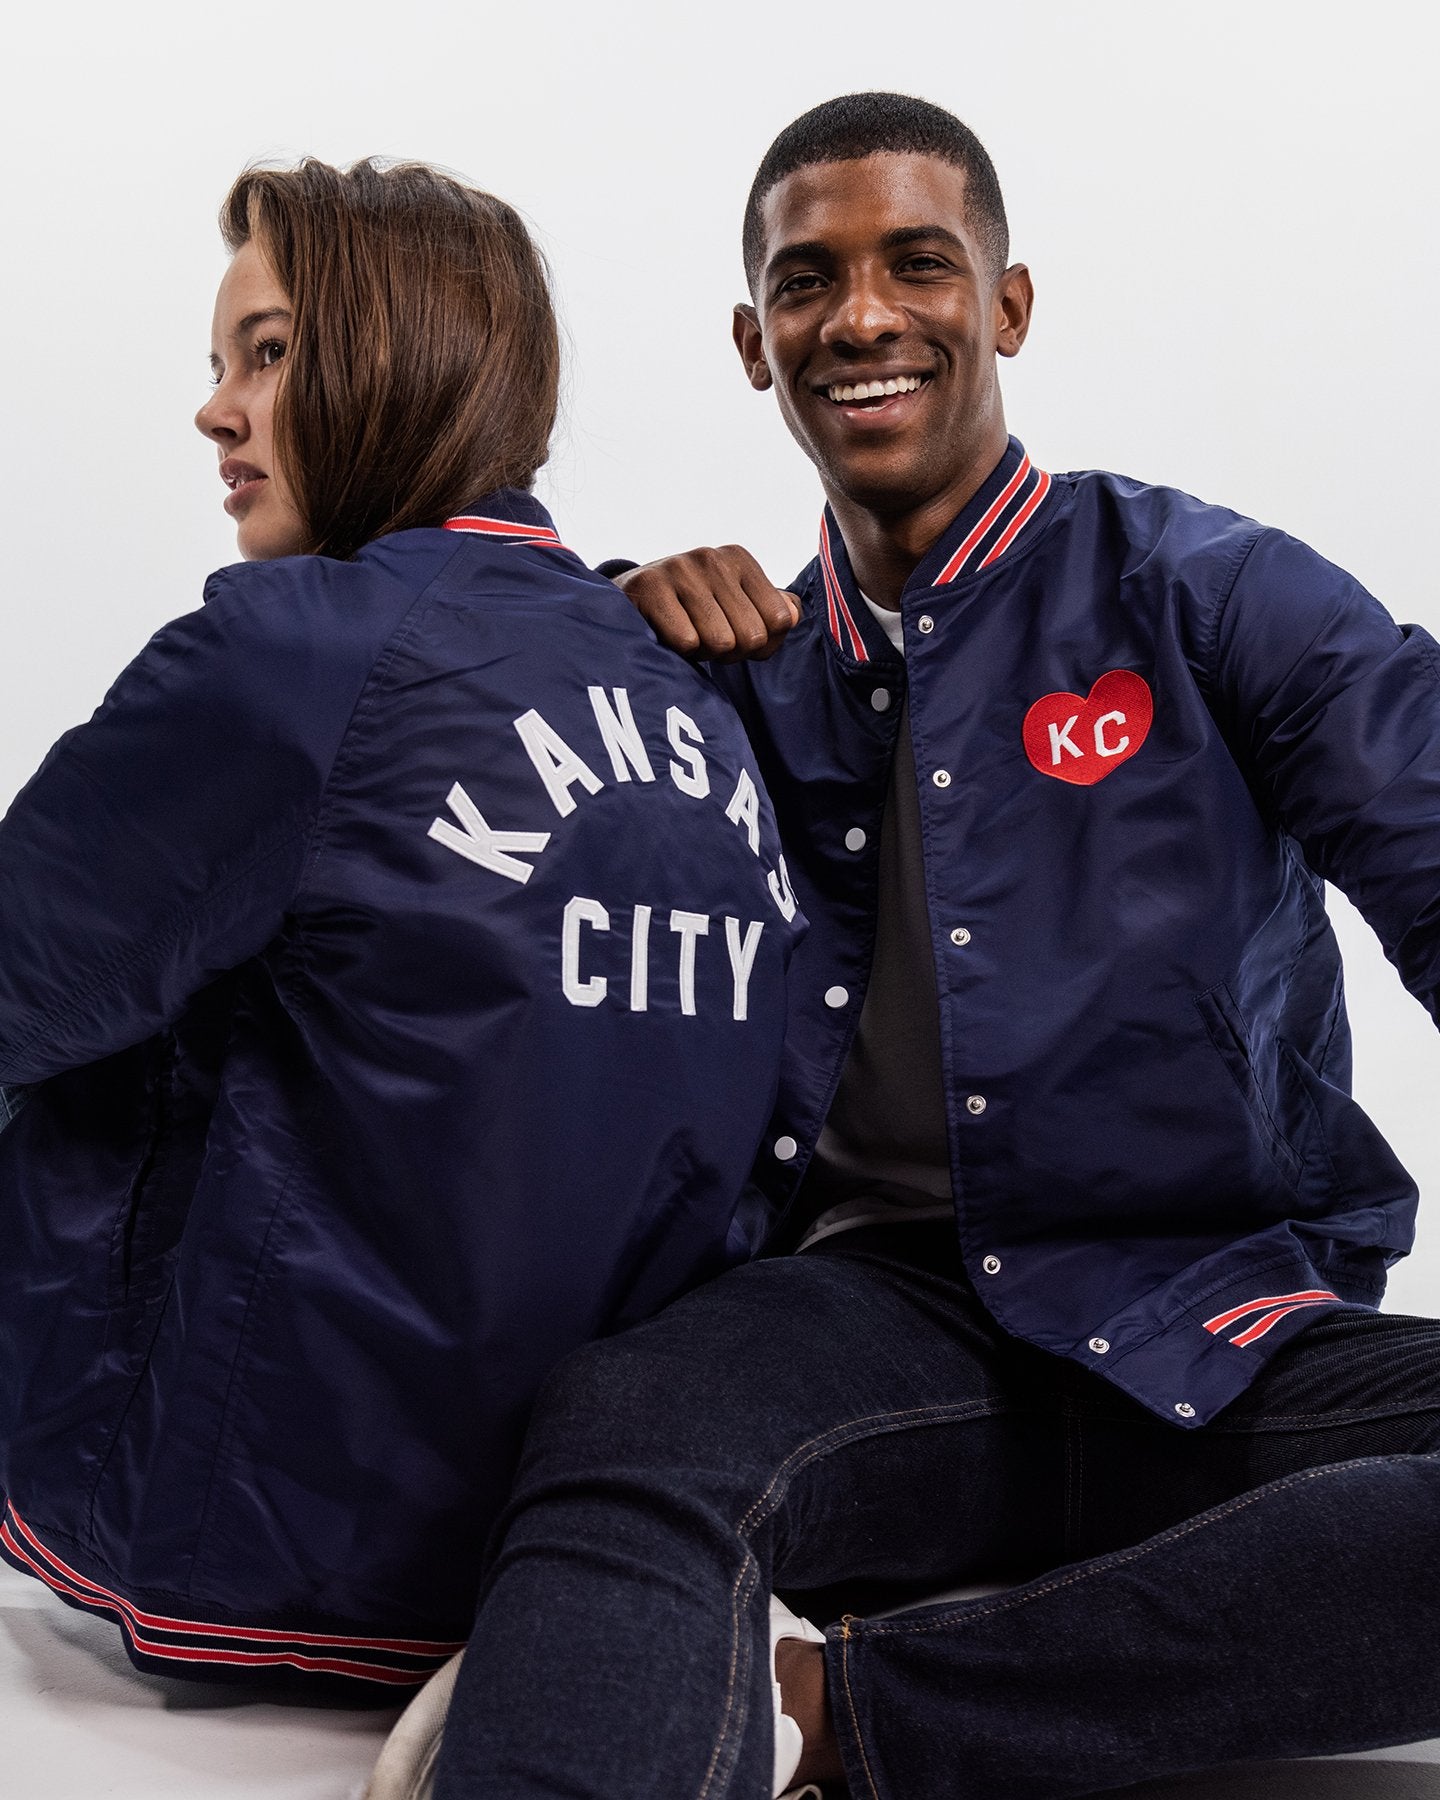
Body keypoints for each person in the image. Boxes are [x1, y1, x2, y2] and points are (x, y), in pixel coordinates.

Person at [425, 94, 1440, 1799]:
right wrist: (586, 623)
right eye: (806, 282)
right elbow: (478, 857)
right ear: (753, 345)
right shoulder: (727, 666)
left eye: (918, 264)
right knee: (615, 1426)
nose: (863, 317)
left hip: (1214, 1310)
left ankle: (837, 1713)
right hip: (863, 1322)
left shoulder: (1210, 591)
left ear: (1008, 306)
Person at [0, 157, 800, 1695]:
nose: (216, 411)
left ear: (397, 354)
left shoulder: (295, 653)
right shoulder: (692, 692)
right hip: (593, 1553)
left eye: (268, 353)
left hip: (286, 1549)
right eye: (221, 362)